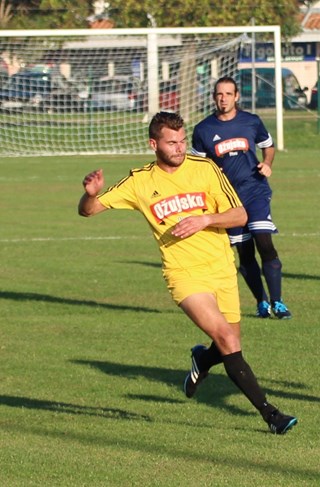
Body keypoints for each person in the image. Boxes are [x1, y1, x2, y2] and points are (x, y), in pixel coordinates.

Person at [78, 112, 297, 435]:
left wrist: (205, 220)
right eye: (172, 142)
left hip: (221, 268)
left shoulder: (205, 168)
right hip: (183, 274)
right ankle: (271, 414)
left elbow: (240, 214)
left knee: (229, 342)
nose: (180, 148)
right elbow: (88, 210)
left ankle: (203, 361)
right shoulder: (140, 181)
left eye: (182, 141)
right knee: (225, 338)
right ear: (154, 144)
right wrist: (92, 193)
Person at [192, 76, 291, 320]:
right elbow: (197, 166)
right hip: (227, 200)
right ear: (214, 97)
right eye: (219, 94)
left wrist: (267, 163)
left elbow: (268, 146)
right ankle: (261, 302)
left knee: (264, 243)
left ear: (236, 96)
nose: (223, 98)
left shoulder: (251, 122)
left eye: (228, 94)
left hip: (255, 191)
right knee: (244, 252)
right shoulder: (203, 130)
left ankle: (278, 302)